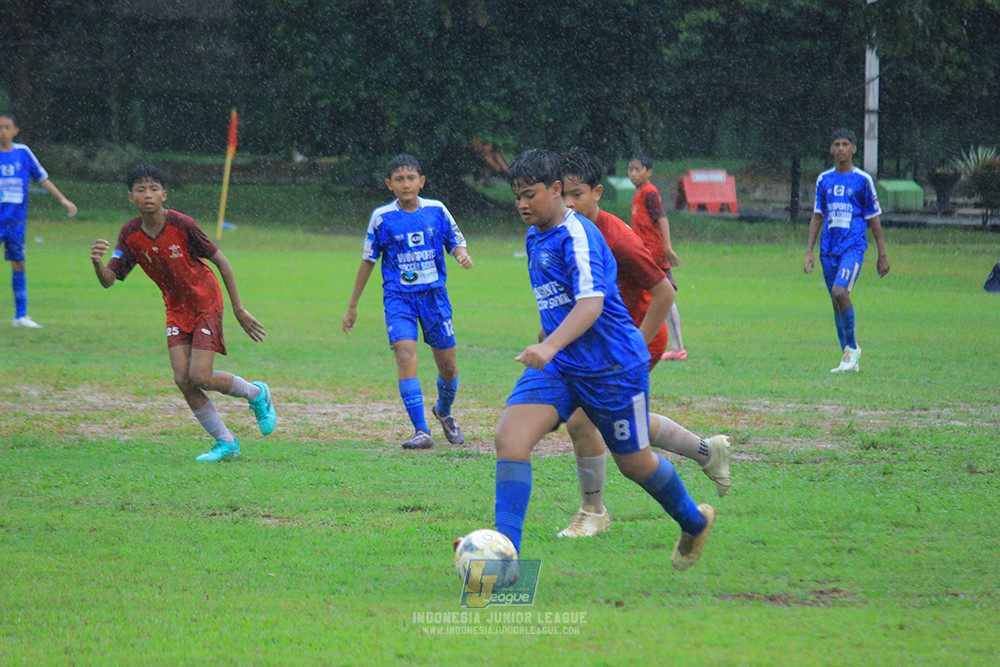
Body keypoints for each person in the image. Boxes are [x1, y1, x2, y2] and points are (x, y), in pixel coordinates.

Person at [489, 148, 714, 571]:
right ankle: (505, 557)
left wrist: (549, 345)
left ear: (556, 189)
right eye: (517, 196)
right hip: (563, 364)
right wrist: (548, 338)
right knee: (510, 438)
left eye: (530, 195)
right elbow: (558, 299)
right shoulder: (535, 235)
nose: (521, 204)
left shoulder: (579, 236)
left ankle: (694, 521)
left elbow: (591, 304)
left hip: (612, 367)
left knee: (635, 464)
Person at [557, 147, 731, 538]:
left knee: (585, 421)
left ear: (597, 192)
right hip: (600, 346)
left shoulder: (618, 238)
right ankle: (707, 451)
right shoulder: (564, 231)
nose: (568, 204)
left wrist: (635, 343)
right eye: (562, 195)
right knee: (620, 423)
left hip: (636, 341)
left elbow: (665, 292)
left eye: (577, 194)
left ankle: (593, 511)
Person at [89, 164, 276, 462]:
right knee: (183, 379)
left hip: (205, 301)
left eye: (153, 189)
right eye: (140, 190)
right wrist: (98, 263)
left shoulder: (182, 224)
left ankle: (256, 393)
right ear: (131, 197)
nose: (147, 195)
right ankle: (226, 442)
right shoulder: (130, 234)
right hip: (176, 309)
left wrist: (239, 309)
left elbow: (221, 261)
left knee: (200, 375)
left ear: (164, 194)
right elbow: (109, 280)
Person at [342, 154, 473, 450]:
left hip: (434, 298)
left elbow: (456, 241)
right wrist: (352, 306)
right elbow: (368, 261)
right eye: (399, 179)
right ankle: (421, 430)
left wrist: (462, 255)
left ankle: (443, 411)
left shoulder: (437, 210)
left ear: (421, 181)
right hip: (398, 298)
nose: (405, 184)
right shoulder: (382, 218)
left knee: (448, 368)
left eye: (411, 178)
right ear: (389, 184)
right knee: (404, 354)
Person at [804, 129, 890, 373]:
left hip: (852, 247)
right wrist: (809, 251)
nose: (841, 148)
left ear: (853, 149)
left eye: (845, 144)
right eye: (837, 144)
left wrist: (882, 255)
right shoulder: (824, 180)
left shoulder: (863, 180)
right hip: (828, 249)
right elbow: (818, 216)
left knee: (840, 292)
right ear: (831, 150)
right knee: (835, 301)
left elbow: (874, 219)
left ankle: (852, 347)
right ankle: (848, 359)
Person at [0, 112, 77, 328]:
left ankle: (20, 317)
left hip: (15, 223)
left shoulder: (23, 153)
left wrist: (63, 199)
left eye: (7, 127)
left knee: (18, 263)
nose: (3, 132)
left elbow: (42, 178)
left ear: (15, 131)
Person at [627, 154, 687, 361]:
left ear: (649, 172)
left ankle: (678, 347)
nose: (633, 173)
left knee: (665, 296)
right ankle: (642, 340)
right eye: (630, 169)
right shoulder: (640, 193)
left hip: (653, 254)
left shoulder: (649, 192)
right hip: (643, 253)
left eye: (638, 169)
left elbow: (662, 219)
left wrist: (667, 248)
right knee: (651, 296)